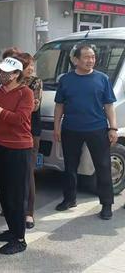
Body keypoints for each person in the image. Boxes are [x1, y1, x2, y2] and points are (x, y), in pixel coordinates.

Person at [53, 44, 117, 219]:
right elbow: (59, 106)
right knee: (70, 167)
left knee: (103, 167)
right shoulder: (66, 80)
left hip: (97, 129)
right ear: (76, 60)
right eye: (87, 57)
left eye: (93, 57)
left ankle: (106, 204)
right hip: (71, 129)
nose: (91, 60)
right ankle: (69, 198)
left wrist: (113, 127)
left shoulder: (102, 79)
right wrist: (57, 127)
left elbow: (109, 105)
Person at [0, 56, 34, 255]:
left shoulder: (25, 93)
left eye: (5, 72)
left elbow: (19, 119)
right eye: (0, 71)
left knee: (16, 195)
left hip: (18, 148)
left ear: (16, 74)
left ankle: (19, 238)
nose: (1, 74)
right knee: (3, 192)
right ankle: (12, 230)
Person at [19, 53, 42, 229]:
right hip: (12, 132)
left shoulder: (35, 82)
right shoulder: (10, 82)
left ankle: (29, 213)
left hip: (30, 131)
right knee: (13, 174)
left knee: (28, 172)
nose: (31, 69)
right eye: (27, 66)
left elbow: (34, 106)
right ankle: (13, 207)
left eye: (32, 65)